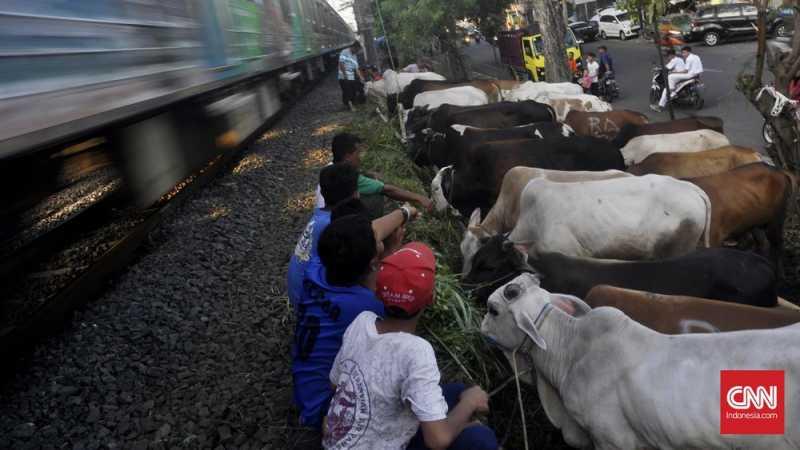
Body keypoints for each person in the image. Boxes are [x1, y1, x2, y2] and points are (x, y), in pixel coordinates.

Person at [323, 242, 498, 450]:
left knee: (456, 392)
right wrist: (471, 402)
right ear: (432, 299)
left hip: (335, 442)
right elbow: (438, 440)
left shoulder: (362, 321)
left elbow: (335, 383)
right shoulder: (417, 351)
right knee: (480, 439)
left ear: (377, 293)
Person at [292, 214, 384, 429]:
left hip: (304, 388)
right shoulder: (365, 306)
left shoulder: (314, 270)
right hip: (325, 408)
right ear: (372, 264)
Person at [287, 163, 358, 307]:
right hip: (306, 300)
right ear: (353, 195)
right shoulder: (334, 225)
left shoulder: (321, 215)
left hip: (296, 291)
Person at [314, 133, 433, 212]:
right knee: (376, 197)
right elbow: (388, 190)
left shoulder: (329, 169)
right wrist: (419, 198)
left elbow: (360, 173)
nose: (360, 157)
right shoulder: (351, 178)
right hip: (339, 225)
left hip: (326, 212)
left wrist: (369, 174)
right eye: (358, 153)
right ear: (348, 156)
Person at [653, 48, 688, 112]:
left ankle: (660, 106)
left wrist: (657, 69)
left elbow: (666, 68)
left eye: (668, 56)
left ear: (671, 55)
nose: (668, 57)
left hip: (677, 76)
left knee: (666, 89)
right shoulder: (680, 59)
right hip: (684, 76)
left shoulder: (674, 60)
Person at [339, 41, 365, 111]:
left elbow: (356, 68)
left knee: (353, 90)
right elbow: (341, 63)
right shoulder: (344, 52)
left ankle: (350, 104)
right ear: (354, 47)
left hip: (351, 76)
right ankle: (350, 107)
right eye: (357, 50)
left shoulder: (354, 55)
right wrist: (345, 75)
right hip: (343, 76)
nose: (357, 51)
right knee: (348, 91)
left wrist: (361, 77)